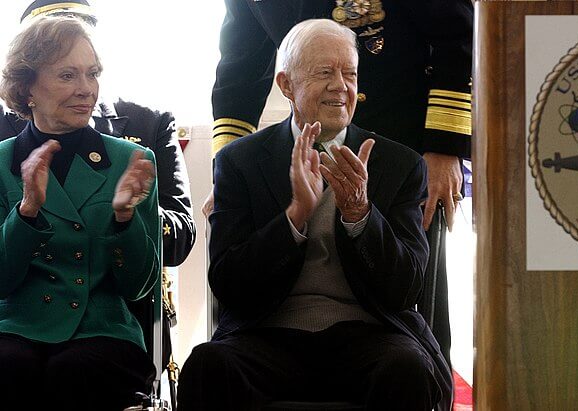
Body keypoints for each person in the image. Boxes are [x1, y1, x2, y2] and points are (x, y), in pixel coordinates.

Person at [178, 19, 451, 410]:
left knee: (407, 367)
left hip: (369, 333)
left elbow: (406, 290)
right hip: (269, 335)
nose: (341, 85)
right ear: (286, 84)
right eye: (325, 72)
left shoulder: (399, 164)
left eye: (350, 73)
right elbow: (229, 284)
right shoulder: (241, 161)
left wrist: (360, 214)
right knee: (208, 366)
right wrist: (294, 217)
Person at [1, 0, 196, 374]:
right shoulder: (2, 160)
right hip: (16, 327)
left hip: (102, 330)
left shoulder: (131, 158)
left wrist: (125, 217)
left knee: (74, 372)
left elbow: (140, 286)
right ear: (27, 88)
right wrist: (26, 211)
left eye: (92, 74)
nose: (86, 89)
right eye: (67, 76)